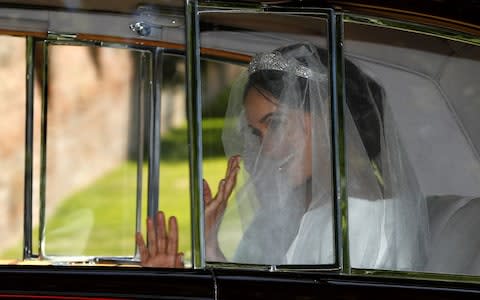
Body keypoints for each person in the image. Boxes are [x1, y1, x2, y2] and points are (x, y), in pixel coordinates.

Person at [136, 42, 429, 270]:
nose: (266, 151)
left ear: (327, 115)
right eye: (258, 134)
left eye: (274, 123)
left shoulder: (359, 216)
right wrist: (210, 244)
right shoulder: (318, 205)